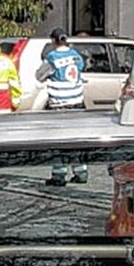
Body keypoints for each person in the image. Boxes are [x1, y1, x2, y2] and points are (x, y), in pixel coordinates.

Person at [36, 31, 88, 185]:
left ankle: (59, 176)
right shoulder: (76, 55)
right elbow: (81, 67)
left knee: (59, 141)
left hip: (59, 103)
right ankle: (81, 172)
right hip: (77, 102)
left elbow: (39, 76)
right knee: (77, 139)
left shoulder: (52, 58)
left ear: (53, 41)